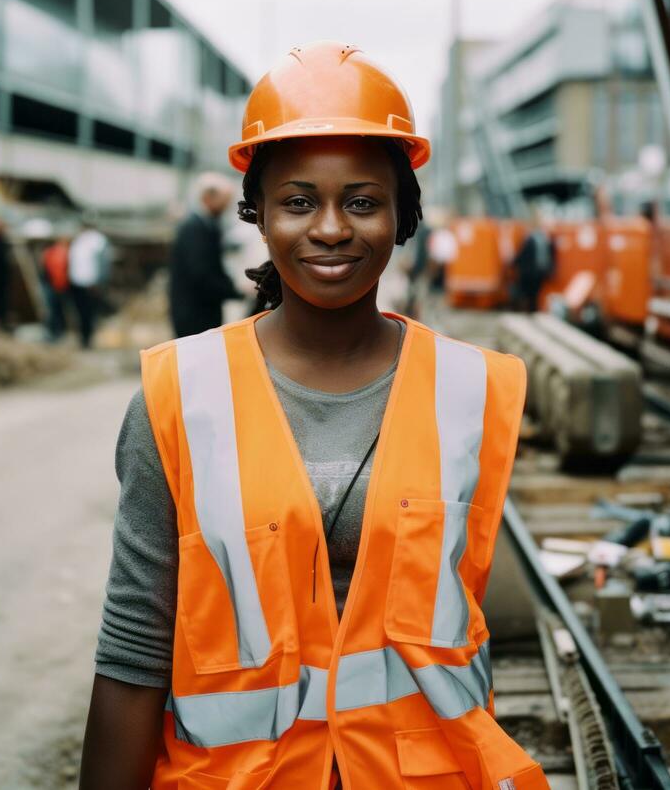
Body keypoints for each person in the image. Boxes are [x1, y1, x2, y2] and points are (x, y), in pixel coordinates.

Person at [80, 42, 547, 790]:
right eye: (299, 201)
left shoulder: (474, 390)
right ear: (258, 216)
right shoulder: (179, 394)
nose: (331, 228)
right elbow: (135, 649)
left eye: (362, 200)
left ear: (403, 217)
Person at [169, 172, 242, 337]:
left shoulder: (205, 225)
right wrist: (235, 292)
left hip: (200, 311)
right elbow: (202, 275)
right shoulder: (194, 229)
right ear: (209, 197)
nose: (227, 206)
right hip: (194, 314)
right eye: (225, 200)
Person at [69, 222, 110, 349]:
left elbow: (101, 263)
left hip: (89, 283)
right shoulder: (81, 240)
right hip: (80, 281)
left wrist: (99, 281)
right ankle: (84, 338)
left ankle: (88, 338)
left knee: (88, 313)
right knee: (82, 312)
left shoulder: (95, 240)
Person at [511, 212, 555, 313]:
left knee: (527, 292)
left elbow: (522, 254)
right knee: (535, 292)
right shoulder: (545, 239)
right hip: (541, 270)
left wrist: (513, 263)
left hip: (529, 271)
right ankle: (533, 309)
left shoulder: (530, 239)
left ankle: (529, 310)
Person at [41, 235, 70, 341]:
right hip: (56, 286)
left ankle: (55, 333)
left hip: (54, 285)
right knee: (55, 310)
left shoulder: (52, 252)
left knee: (54, 310)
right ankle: (56, 332)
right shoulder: (60, 253)